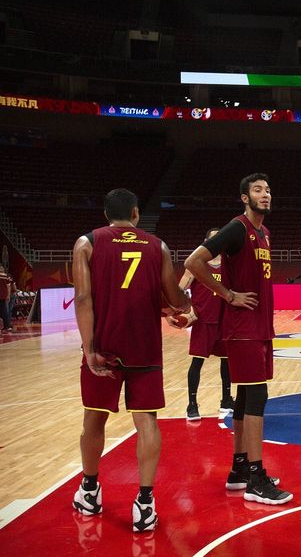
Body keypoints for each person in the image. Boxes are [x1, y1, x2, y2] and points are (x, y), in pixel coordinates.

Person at [71, 188, 189, 532]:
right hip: (144, 346)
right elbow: (172, 296)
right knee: (147, 422)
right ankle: (145, 503)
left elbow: (83, 298)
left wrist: (89, 348)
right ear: (136, 213)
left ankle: (89, 491)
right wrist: (183, 306)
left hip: (104, 344)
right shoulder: (158, 246)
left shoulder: (87, 243)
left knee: (94, 419)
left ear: (106, 214)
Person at [184, 173, 292, 505]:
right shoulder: (237, 228)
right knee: (257, 397)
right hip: (242, 328)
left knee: (245, 398)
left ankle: (240, 469)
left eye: (268, 189)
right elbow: (193, 262)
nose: (265, 194)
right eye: (258, 190)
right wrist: (228, 294)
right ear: (245, 197)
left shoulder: (264, 233)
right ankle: (257, 479)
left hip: (258, 326)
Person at [169, 228, 234, 421]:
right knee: (197, 362)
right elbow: (179, 289)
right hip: (203, 321)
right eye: (213, 239)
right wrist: (172, 312)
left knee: (227, 363)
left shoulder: (230, 264)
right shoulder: (196, 264)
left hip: (224, 321)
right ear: (206, 242)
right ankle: (192, 404)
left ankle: (226, 400)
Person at [0, 264, 14, 332]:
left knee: (4, 311)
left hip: (2, 295)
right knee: (5, 311)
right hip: (4, 296)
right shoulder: (6, 276)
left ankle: (7, 326)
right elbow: (9, 286)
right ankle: (7, 326)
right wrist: (8, 295)